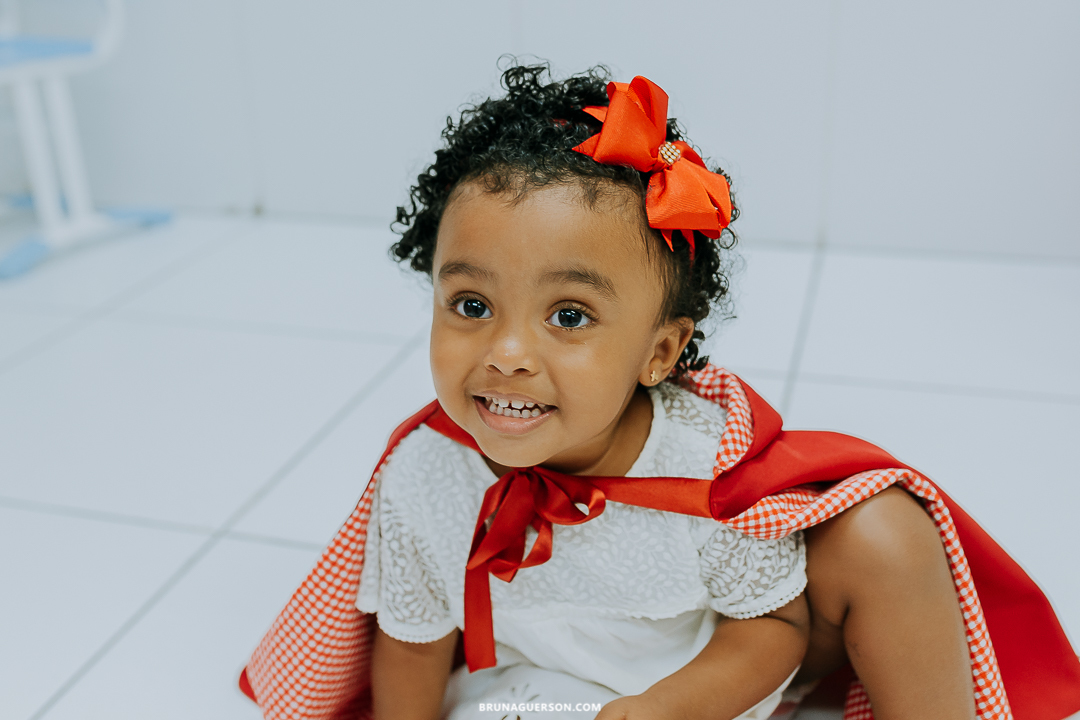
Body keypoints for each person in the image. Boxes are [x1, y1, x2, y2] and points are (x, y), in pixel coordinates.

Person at [239, 63, 1080, 720]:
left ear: (660, 352)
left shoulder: (703, 469)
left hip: (692, 692)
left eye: (569, 315)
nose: (506, 352)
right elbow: (414, 646)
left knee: (887, 532)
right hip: (539, 694)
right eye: (470, 304)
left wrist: (668, 708)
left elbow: (774, 627)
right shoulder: (427, 474)